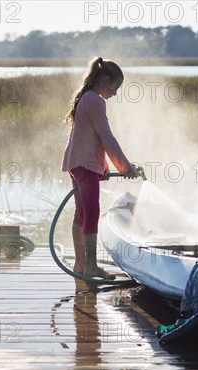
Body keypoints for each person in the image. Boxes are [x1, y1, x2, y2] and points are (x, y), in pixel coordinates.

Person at [62, 56, 139, 279]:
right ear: (105, 80)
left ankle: (80, 264)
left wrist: (101, 167)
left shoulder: (85, 98)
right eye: (116, 86)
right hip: (84, 165)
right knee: (92, 213)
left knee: (82, 213)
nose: (116, 93)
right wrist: (125, 167)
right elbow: (106, 137)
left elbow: (89, 138)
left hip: (78, 163)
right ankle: (91, 266)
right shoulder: (95, 100)